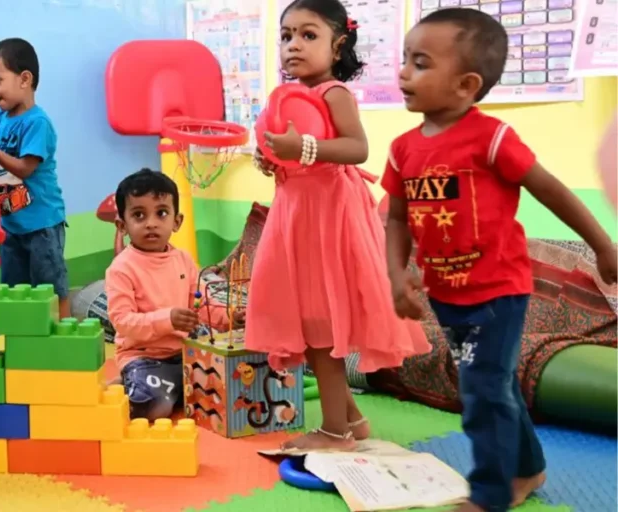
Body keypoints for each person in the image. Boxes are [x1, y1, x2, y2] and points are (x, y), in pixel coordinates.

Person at [384, 9, 618, 512]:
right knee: (498, 384)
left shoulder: (490, 138)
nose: (403, 72)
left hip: (498, 292)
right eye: (404, 59)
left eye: (420, 63)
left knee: (480, 390)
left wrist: (602, 245)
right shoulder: (402, 150)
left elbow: (552, 190)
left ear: (467, 84)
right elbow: (398, 220)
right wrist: (398, 274)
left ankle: (490, 494)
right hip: (446, 295)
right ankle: (529, 468)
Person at [246, 0, 431, 451]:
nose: (294, 45)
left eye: (308, 36)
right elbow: (285, 148)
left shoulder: (333, 93)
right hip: (295, 212)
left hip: (328, 216)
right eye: (286, 36)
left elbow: (356, 148)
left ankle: (334, 431)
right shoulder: (286, 97)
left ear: (338, 44)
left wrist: (303, 149)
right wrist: (271, 158)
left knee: (319, 321)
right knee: (308, 320)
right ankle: (350, 418)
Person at [105, 169, 244, 420]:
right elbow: (122, 322)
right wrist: (167, 319)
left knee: (229, 393)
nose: (151, 223)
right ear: (122, 225)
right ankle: (132, 383)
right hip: (143, 357)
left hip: (185, 355)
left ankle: (153, 387)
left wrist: (231, 317)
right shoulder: (121, 268)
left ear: (176, 221)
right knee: (154, 408)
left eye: (161, 213)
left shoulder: (183, 260)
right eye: (139, 215)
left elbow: (202, 306)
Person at [0, 38, 69, 319]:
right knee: (14, 289)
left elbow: (25, 168)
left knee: (50, 287)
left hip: (41, 223)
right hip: (9, 223)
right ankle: (22, 336)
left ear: (24, 79)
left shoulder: (37, 123)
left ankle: (63, 335)